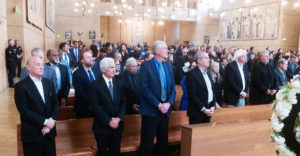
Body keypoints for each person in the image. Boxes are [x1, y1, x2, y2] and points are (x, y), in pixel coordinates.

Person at [14, 56, 59, 156]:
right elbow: (25, 111)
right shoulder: (21, 86)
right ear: (28, 67)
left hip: (49, 134)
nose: (42, 67)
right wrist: (46, 122)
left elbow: (56, 104)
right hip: (33, 135)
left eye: (42, 65)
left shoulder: (48, 83)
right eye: (38, 65)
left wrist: (51, 121)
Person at [139, 40, 176, 156]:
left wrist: (169, 103)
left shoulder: (168, 66)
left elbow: (172, 88)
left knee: (163, 143)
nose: (167, 50)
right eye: (164, 48)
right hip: (151, 111)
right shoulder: (146, 65)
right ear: (156, 51)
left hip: (165, 111)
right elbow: (144, 88)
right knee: (147, 143)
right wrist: (158, 104)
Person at [88, 57, 126, 156]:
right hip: (102, 127)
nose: (114, 69)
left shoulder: (119, 83)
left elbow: (124, 102)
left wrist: (118, 118)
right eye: (111, 67)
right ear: (103, 69)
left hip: (117, 126)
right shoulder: (94, 85)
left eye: (115, 67)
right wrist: (109, 120)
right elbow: (95, 107)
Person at [186, 52, 216, 124]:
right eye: (206, 58)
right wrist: (203, 109)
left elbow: (212, 90)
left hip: (209, 110)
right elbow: (192, 94)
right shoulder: (192, 74)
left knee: (206, 134)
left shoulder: (208, 73)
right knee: (197, 134)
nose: (209, 60)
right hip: (197, 112)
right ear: (199, 61)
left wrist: (213, 105)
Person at [73, 50, 101, 118]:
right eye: (88, 57)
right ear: (82, 60)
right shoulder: (77, 73)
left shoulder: (96, 71)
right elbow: (80, 92)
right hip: (84, 108)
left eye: (91, 57)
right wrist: (92, 103)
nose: (91, 59)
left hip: (97, 108)